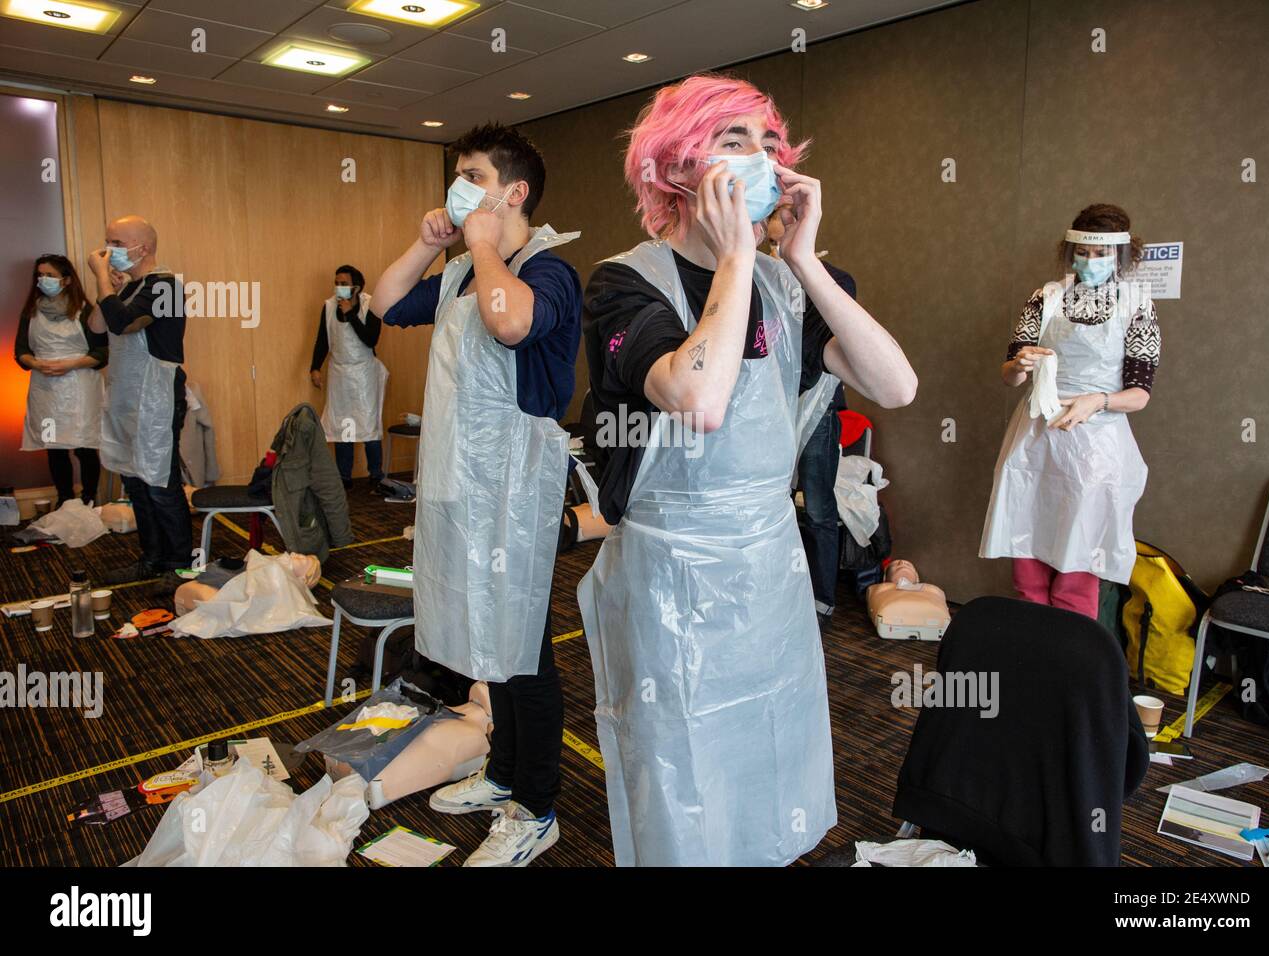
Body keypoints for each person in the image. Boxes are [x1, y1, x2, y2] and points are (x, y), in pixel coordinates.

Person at [579, 73, 917, 866]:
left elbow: (897, 384)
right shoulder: (624, 284)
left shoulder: (785, 288)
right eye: (735, 142)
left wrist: (800, 260)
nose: (761, 158)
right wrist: (737, 256)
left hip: (768, 567)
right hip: (672, 575)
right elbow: (697, 396)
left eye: (770, 144)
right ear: (678, 165)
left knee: (767, 750)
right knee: (681, 769)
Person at [371, 123, 582, 867]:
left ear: (513, 192)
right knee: (486, 639)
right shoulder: (461, 270)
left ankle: (537, 805)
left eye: (472, 177)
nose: (457, 188)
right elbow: (385, 302)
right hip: (462, 478)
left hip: (516, 487)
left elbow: (511, 319)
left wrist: (484, 244)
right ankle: (502, 773)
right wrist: (430, 243)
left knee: (525, 651)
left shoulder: (548, 269)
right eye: (456, 175)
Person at [980, 203, 1160, 618]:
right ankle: (1033, 650)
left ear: (1121, 255)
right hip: (1035, 438)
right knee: (1027, 558)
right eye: (1083, 252)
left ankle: (1072, 654)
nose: (1090, 261)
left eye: (1101, 254)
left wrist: (1098, 400)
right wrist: (1019, 365)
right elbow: (1010, 377)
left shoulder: (1137, 304)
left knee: (1078, 566)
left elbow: (1140, 394)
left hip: (1095, 446)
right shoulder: (1045, 297)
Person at [86, 216, 192, 587]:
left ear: (142, 248)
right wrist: (109, 287)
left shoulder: (166, 287)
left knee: (160, 483)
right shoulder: (129, 288)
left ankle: (180, 565)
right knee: (135, 483)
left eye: (115, 242)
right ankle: (152, 558)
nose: (107, 250)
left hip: (156, 398)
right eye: (107, 241)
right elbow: (96, 329)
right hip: (125, 398)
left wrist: (102, 278)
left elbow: (124, 323)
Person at [767, 212, 857, 626]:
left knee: (819, 506)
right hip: (771, 407)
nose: (778, 250)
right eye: (772, 244)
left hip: (817, 404)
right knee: (772, 504)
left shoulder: (834, 280)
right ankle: (777, 592)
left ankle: (822, 598)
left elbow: (815, 349)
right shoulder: (754, 279)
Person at [15, 254, 106, 506]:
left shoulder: (85, 310)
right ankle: (64, 498)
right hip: (45, 391)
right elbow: (20, 351)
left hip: (81, 387)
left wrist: (70, 364)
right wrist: (37, 363)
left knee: (85, 446)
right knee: (53, 446)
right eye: (40, 275)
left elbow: (102, 352)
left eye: (50, 275)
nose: (43, 279)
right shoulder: (31, 312)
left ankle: (89, 499)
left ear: (66, 280)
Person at [311, 265, 386, 489]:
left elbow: (371, 339)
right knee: (344, 426)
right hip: (339, 374)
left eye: (344, 284)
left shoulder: (371, 305)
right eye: (337, 283)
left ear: (357, 287)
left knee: (369, 424)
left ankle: (376, 475)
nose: (339, 288)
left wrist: (351, 314)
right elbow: (323, 339)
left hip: (364, 373)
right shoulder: (328, 307)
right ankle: (344, 476)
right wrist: (315, 367)